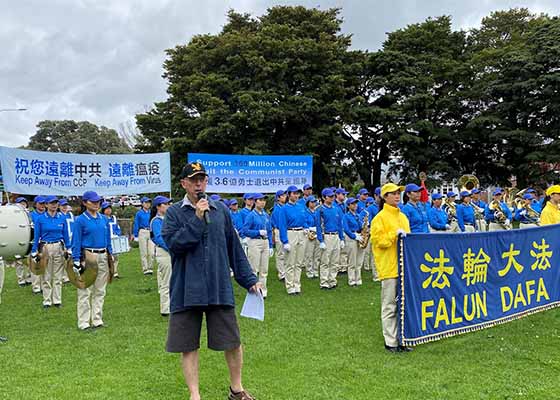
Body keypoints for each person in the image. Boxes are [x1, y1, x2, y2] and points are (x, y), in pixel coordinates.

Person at [161, 161, 260, 400]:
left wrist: (249, 279)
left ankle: (237, 390)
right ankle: (195, 395)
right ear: (183, 183)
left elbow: (233, 247)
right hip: (187, 287)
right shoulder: (174, 213)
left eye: (202, 179)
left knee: (233, 341)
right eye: (193, 180)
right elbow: (175, 245)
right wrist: (197, 218)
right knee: (188, 345)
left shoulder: (220, 210)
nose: (198, 184)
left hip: (218, 284)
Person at [370, 183, 412, 353]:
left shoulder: (403, 217)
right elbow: (379, 241)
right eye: (393, 193)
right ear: (385, 197)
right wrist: (394, 234)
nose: (397, 196)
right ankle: (391, 341)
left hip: (404, 267)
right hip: (389, 267)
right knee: (389, 305)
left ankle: (403, 338)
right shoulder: (379, 218)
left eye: (398, 193)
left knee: (404, 304)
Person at [71, 191, 113, 330]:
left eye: (98, 201)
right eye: (93, 201)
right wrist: (76, 259)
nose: (96, 204)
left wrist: (110, 254)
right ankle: (83, 322)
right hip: (88, 255)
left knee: (100, 289)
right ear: (85, 203)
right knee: (85, 289)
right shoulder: (80, 220)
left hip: (102, 254)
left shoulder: (103, 219)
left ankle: (97, 319)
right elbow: (76, 240)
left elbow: (107, 238)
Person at [31, 196, 70, 308]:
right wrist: (34, 250)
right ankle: (47, 300)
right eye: (51, 203)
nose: (54, 205)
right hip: (45, 247)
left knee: (58, 275)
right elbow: (37, 236)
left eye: (56, 203)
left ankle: (57, 300)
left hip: (58, 246)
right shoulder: (40, 219)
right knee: (46, 275)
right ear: (46, 205)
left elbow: (66, 235)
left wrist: (68, 248)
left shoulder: (62, 217)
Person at [241, 193, 273, 298]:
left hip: (265, 242)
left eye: (264, 200)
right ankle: (253, 290)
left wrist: (271, 245)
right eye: (260, 200)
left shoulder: (266, 215)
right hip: (255, 242)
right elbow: (245, 230)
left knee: (264, 269)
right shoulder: (251, 215)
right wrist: (258, 232)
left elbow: (269, 230)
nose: (263, 202)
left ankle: (263, 290)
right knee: (254, 268)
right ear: (255, 202)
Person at [278, 185, 306, 295]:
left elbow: (304, 219)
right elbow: (282, 225)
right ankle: (290, 286)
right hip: (291, 233)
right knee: (290, 262)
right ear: (289, 195)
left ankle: (297, 285)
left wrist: (306, 227)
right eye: (294, 193)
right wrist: (285, 241)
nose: (296, 195)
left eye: (297, 193)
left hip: (301, 233)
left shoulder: (301, 206)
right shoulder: (284, 209)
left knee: (299, 262)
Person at [316, 188, 344, 290]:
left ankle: (332, 280)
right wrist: (321, 240)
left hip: (336, 235)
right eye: (330, 196)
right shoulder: (320, 210)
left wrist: (341, 238)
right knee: (325, 260)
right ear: (324, 197)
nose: (332, 198)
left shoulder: (336, 209)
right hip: (327, 236)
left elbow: (340, 224)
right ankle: (324, 282)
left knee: (335, 261)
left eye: (333, 196)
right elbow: (318, 225)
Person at [150, 195, 172, 316]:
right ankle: (165, 308)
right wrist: (172, 247)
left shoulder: (168, 219)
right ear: (158, 207)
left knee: (172, 280)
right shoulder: (156, 221)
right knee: (166, 281)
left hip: (170, 251)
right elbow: (159, 238)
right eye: (165, 204)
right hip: (164, 252)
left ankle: (172, 305)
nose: (168, 206)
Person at [343, 197, 365, 286]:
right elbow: (346, 229)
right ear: (348, 206)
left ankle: (358, 278)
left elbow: (361, 226)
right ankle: (351, 280)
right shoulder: (346, 216)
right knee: (352, 260)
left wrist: (364, 225)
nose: (355, 205)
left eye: (356, 203)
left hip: (360, 236)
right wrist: (354, 236)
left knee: (359, 260)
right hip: (351, 237)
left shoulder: (358, 215)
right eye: (353, 204)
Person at [30, 196, 47, 294]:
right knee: (35, 264)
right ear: (35, 204)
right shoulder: (31, 215)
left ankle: (44, 285)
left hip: (45, 242)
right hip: (34, 241)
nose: (42, 205)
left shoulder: (47, 214)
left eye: (44, 203)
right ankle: (36, 287)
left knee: (44, 264)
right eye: (40, 203)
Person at [14, 197, 32, 287]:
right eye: (20, 204)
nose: (22, 205)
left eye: (24, 204)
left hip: (29, 239)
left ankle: (29, 278)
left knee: (29, 260)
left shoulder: (30, 214)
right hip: (17, 239)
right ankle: (21, 279)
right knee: (19, 261)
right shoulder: (14, 215)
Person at [102, 202, 122, 278]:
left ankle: (115, 272)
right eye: (106, 209)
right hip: (106, 240)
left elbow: (117, 228)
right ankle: (107, 272)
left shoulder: (113, 218)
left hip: (114, 239)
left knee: (116, 256)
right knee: (107, 256)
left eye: (109, 208)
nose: (108, 210)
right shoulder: (101, 218)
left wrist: (117, 234)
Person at [133, 196, 153, 275]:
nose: (148, 204)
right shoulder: (139, 213)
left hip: (150, 231)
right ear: (142, 204)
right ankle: (145, 269)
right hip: (142, 231)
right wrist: (135, 235)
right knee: (144, 252)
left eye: (149, 202)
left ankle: (150, 268)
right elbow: (136, 223)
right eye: (146, 202)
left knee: (151, 252)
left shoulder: (151, 212)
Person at [270, 190, 287, 281]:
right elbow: (276, 223)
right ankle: (282, 274)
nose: (285, 197)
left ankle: (285, 271)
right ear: (278, 198)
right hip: (279, 230)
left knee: (286, 252)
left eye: (285, 195)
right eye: (282, 196)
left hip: (286, 230)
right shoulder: (276, 209)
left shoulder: (285, 207)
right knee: (280, 252)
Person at [303, 196, 320, 279]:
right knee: (309, 254)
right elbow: (304, 222)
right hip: (309, 233)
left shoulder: (317, 212)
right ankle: (309, 271)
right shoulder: (305, 212)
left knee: (317, 254)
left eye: (314, 202)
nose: (313, 203)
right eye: (312, 202)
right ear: (308, 203)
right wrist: (310, 228)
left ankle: (315, 270)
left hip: (317, 233)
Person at [59, 198, 74, 283]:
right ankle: (64, 276)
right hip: (63, 239)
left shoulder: (71, 215)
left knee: (71, 258)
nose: (64, 207)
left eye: (65, 205)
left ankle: (70, 275)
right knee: (63, 258)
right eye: (62, 205)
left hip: (72, 238)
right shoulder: (58, 215)